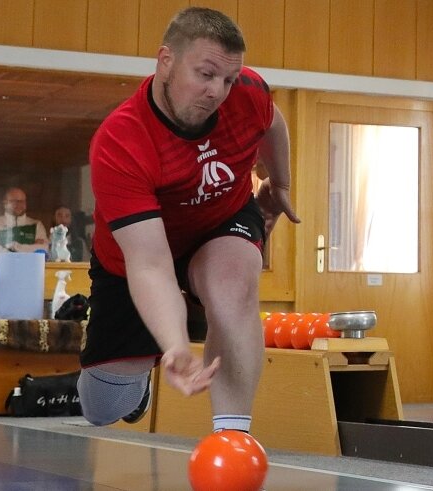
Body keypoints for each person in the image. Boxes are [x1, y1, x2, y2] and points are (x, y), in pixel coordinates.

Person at [77, 7, 300, 434]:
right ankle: (135, 382)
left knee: (234, 287)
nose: (218, 91)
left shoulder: (248, 91)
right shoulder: (120, 141)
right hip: (137, 259)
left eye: (228, 79)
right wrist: (175, 345)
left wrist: (280, 182)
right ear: (166, 61)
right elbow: (150, 264)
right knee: (103, 408)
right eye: (205, 75)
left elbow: (272, 122)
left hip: (221, 221)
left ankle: (232, 436)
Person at [0, 187, 49, 258]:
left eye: (22, 201)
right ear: (5, 202)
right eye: (15, 201)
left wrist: (13, 246)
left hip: (29, 267)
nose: (19, 205)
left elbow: (43, 249)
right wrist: (30, 247)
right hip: (3, 268)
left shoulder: (37, 225)